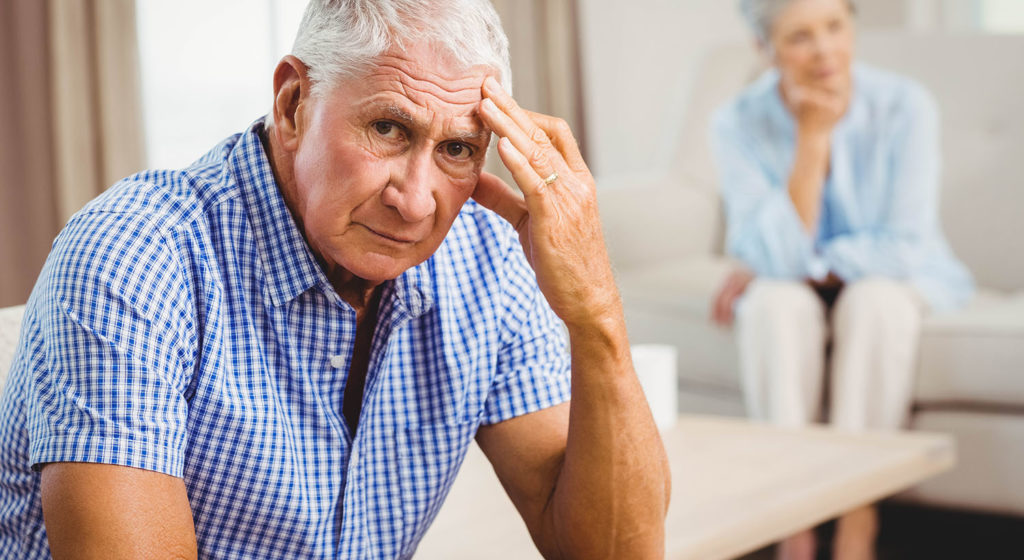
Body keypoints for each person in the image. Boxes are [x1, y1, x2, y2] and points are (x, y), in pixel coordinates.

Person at [0, 1, 670, 557]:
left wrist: (595, 311)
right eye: (388, 128)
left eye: (458, 149)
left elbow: (616, 552)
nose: (416, 199)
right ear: (293, 104)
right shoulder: (136, 255)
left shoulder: (485, 257)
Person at [709, 0, 973, 559]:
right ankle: (793, 525)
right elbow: (777, 264)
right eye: (801, 36)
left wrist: (795, 260)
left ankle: (857, 515)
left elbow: (902, 249)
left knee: (877, 302)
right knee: (772, 304)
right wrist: (813, 139)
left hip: (891, 282)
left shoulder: (905, 106)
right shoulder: (736, 122)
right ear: (766, 49)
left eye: (835, 26)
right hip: (798, 284)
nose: (826, 49)